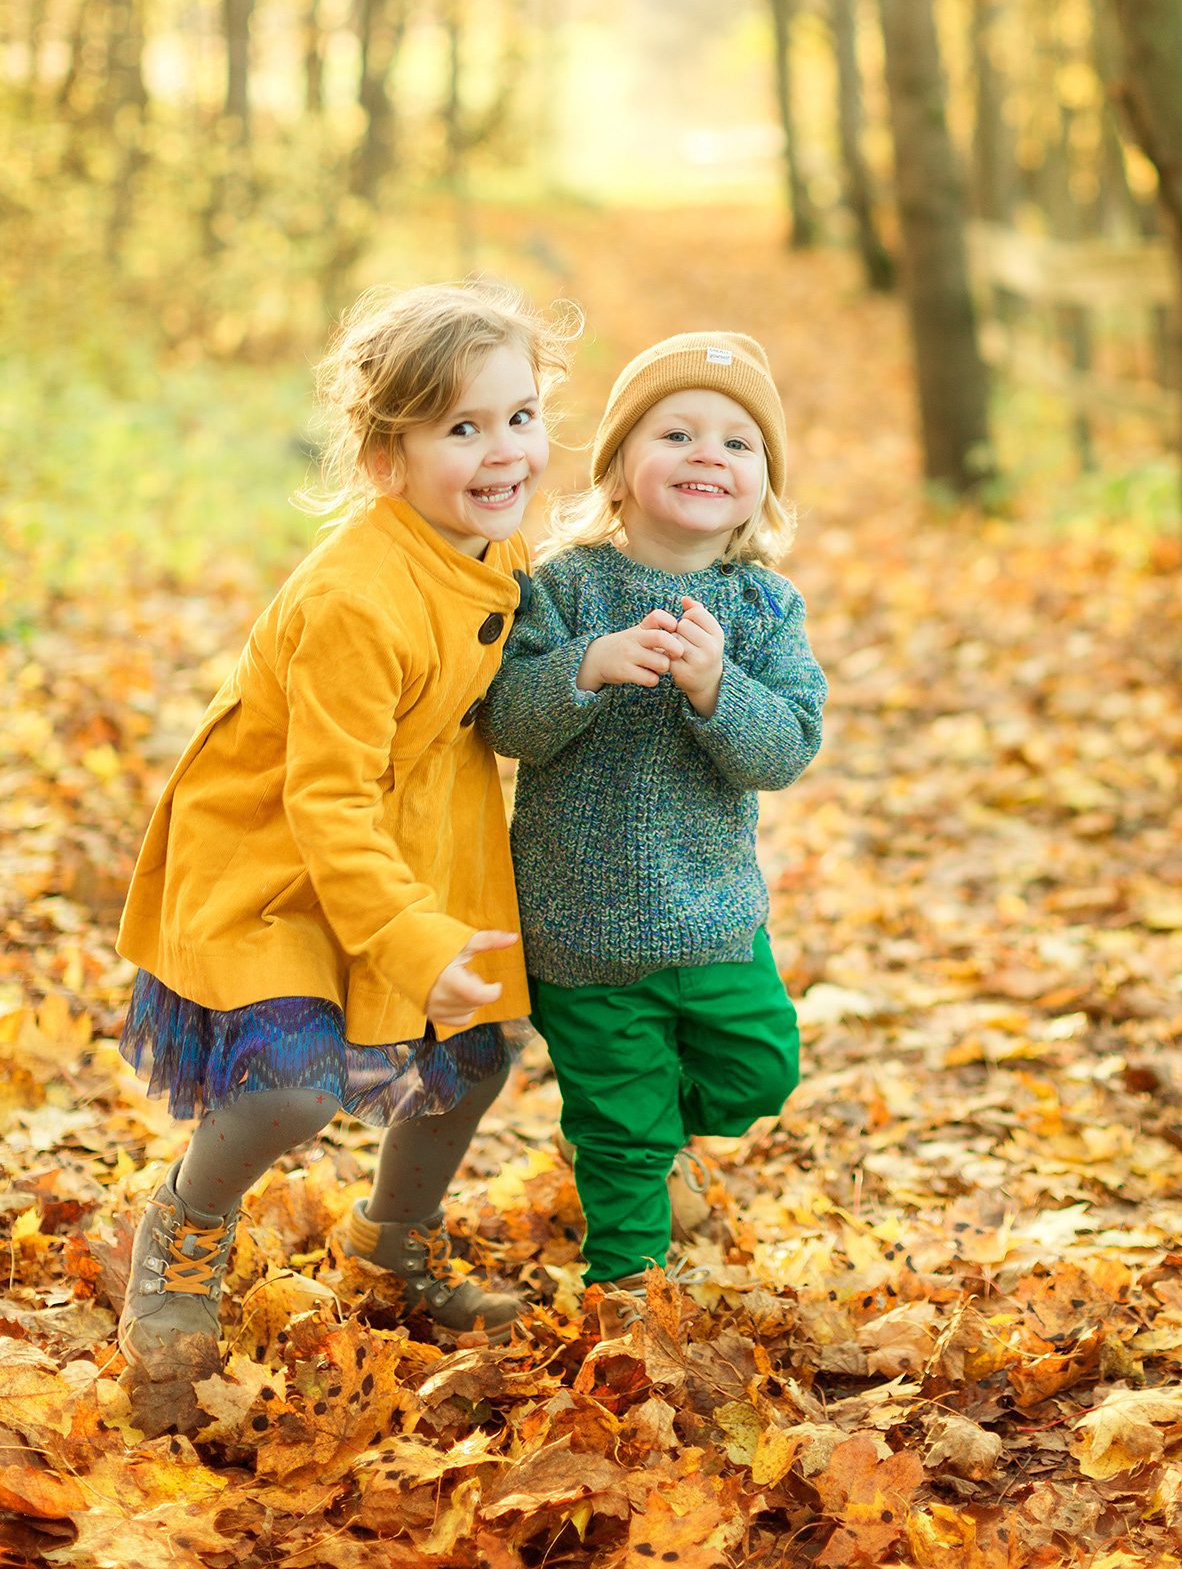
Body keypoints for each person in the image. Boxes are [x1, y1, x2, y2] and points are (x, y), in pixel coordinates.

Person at [114, 281, 574, 1380]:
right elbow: (325, 800)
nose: (503, 449)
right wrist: (415, 943)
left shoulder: (492, 542)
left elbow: (525, 661)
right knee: (287, 1084)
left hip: (414, 836)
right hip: (275, 851)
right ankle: (182, 1227)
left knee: (473, 1056)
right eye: (462, 427)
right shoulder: (357, 603)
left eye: (519, 415)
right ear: (384, 458)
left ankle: (389, 1246)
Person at [480, 331, 826, 1294]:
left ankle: (655, 1131)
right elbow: (508, 721)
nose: (707, 453)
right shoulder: (567, 586)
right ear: (620, 471)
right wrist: (582, 670)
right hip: (579, 928)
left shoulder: (762, 609)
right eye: (676, 432)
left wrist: (720, 689)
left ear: (762, 487)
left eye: (737, 442)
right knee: (620, 1128)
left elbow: (787, 749)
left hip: (712, 919)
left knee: (759, 1076)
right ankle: (624, 1288)